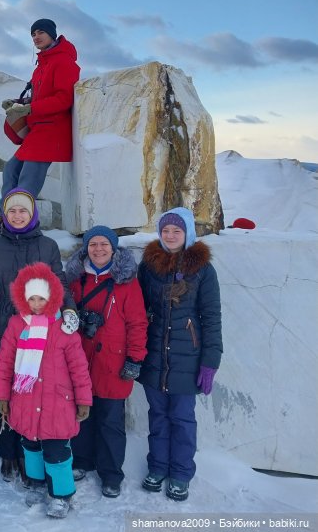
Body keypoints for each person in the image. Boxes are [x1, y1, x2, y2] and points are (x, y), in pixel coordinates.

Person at [0, 188, 78, 484]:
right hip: (5, 332)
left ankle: (35, 454)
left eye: (23, 211)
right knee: (3, 390)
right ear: (5, 216)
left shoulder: (47, 245)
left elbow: (59, 284)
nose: (17, 216)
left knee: (36, 393)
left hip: (41, 334)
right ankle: (8, 452)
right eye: (12, 212)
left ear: (31, 214)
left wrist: (69, 310)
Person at [0, 262, 93, 519]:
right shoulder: (17, 325)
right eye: (32, 298)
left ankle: (61, 494)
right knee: (31, 447)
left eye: (41, 298)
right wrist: (2, 395)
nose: (37, 304)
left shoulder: (63, 327)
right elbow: (5, 362)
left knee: (57, 452)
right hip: (25, 399)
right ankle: (37, 484)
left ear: (52, 298)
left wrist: (84, 399)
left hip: (57, 402)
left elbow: (79, 366)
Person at [137, 207, 222, 502]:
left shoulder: (202, 270)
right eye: (165, 230)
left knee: (182, 419)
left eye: (177, 230)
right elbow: (138, 310)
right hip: (154, 356)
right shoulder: (149, 266)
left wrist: (210, 362)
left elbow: (211, 317)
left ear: (187, 234)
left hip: (187, 358)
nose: (170, 235)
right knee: (157, 416)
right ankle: (158, 467)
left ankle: (181, 473)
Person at [0, 18, 80, 235]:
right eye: (33, 34)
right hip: (38, 130)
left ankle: (16, 222)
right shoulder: (42, 65)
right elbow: (37, 97)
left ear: (52, 34)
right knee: (11, 169)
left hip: (53, 131)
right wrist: (19, 104)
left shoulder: (64, 62)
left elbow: (64, 99)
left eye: (41, 32)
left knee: (28, 178)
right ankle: (2, 216)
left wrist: (30, 110)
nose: (36, 37)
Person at [65, 225, 147, 497]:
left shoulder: (126, 281)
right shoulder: (76, 280)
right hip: (80, 359)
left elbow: (137, 322)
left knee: (110, 420)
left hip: (113, 362)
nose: (98, 249)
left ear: (113, 248)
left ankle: (111, 474)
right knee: (82, 415)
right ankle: (82, 461)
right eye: (93, 244)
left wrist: (135, 358)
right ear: (86, 248)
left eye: (104, 244)